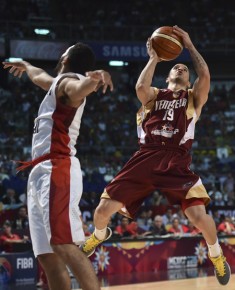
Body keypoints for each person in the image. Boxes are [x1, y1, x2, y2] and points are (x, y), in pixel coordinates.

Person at [81, 26, 230, 286]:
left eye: (185, 69)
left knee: (197, 217)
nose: (181, 68)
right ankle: (100, 233)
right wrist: (153, 58)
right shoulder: (153, 96)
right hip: (146, 156)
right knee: (101, 211)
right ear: (168, 73)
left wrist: (190, 45)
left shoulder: (194, 98)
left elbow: (204, 74)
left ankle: (216, 254)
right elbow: (141, 86)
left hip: (176, 160)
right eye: (177, 67)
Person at [3, 42, 113, 290]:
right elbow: (40, 77)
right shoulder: (56, 83)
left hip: (57, 168)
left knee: (64, 244)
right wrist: (27, 65)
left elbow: (79, 88)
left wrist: (95, 80)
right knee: (48, 257)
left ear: (66, 57)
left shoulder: (69, 83)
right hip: (40, 172)